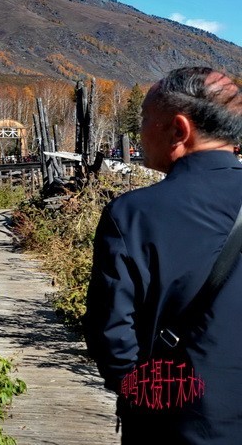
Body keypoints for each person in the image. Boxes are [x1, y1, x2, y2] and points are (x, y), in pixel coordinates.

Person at [85, 67, 242, 443]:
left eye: (144, 120)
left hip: (174, 424)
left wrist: (143, 401)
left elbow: (111, 332)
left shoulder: (133, 214)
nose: (139, 133)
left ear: (179, 130)